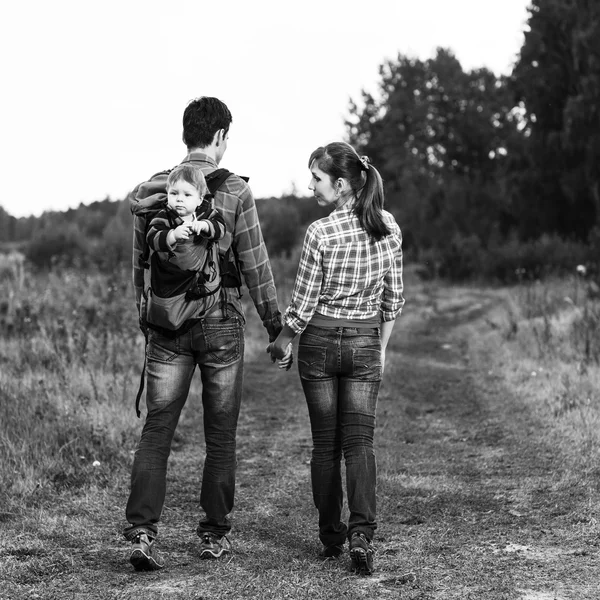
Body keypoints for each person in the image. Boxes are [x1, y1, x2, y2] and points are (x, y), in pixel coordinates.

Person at [125, 96, 284, 571]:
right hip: (219, 323)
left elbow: (140, 267)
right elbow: (256, 266)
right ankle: (213, 533)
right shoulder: (234, 191)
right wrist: (277, 329)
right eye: (227, 137)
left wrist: (147, 319)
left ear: (185, 136)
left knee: (157, 430)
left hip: (165, 326)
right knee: (220, 435)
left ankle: (141, 532)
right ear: (219, 138)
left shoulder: (154, 188)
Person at [267, 142, 404, 576]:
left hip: (321, 345)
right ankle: (361, 533)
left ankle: (332, 535)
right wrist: (379, 349)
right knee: (360, 442)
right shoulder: (389, 227)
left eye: (317, 179)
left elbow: (303, 305)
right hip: (365, 341)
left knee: (325, 444)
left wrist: (282, 341)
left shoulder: (320, 233)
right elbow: (393, 302)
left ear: (341, 184)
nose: (311, 186)